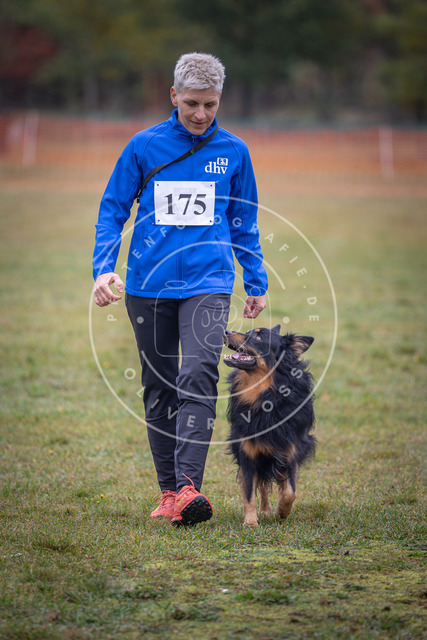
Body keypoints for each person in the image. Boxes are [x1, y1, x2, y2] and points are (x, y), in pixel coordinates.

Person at [93, 52, 268, 526]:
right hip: (148, 285)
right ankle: (169, 491)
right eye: (191, 103)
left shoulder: (234, 151)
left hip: (209, 283)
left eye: (210, 104)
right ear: (174, 96)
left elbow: (244, 220)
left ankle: (190, 487)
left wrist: (255, 279)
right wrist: (103, 269)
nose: (201, 114)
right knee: (158, 385)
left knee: (198, 374)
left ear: (220, 99)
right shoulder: (143, 146)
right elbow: (112, 211)